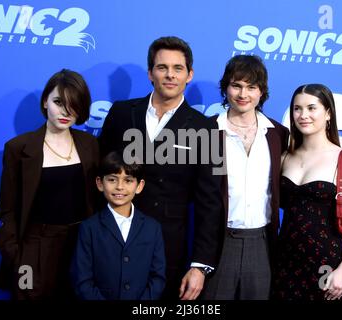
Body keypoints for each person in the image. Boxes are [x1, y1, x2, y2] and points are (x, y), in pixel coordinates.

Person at [98, 36, 223, 300]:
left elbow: (210, 201)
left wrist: (200, 265)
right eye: (162, 67)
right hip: (113, 240)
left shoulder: (206, 129)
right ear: (150, 73)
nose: (170, 75)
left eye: (178, 68)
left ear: (189, 75)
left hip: (168, 249)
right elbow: (98, 175)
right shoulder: (121, 113)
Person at [0, 69, 99, 299]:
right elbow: (8, 210)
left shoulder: (91, 145)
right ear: (45, 102)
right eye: (58, 101)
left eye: (74, 103)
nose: (65, 111)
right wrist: (17, 256)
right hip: (34, 249)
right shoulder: (18, 148)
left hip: (80, 248)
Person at [271, 83, 342, 300]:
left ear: (328, 113)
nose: (303, 115)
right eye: (297, 109)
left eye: (311, 108)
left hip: (327, 265)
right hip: (285, 262)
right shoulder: (284, 157)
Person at [201, 55, 289, 300]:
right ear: (226, 87)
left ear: (262, 92)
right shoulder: (207, 131)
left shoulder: (278, 134)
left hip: (263, 242)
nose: (243, 94)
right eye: (236, 85)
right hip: (219, 241)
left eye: (252, 87)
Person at [70, 151, 166, 300]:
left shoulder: (152, 228)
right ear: (100, 183)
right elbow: (82, 281)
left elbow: (158, 278)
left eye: (128, 180)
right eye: (112, 180)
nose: (120, 187)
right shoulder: (89, 228)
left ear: (139, 186)